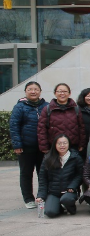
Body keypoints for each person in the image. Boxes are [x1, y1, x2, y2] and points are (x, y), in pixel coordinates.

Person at [10, 81, 47, 209]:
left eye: (36, 89)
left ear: (40, 91)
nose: (33, 91)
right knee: (26, 173)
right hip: (26, 147)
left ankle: (42, 196)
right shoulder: (19, 107)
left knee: (43, 173)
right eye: (30, 89)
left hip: (43, 147)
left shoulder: (46, 106)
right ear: (25, 92)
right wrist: (17, 144)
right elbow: (14, 126)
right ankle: (28, 199)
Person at [36, 134, 83, 218]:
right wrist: (41, 195)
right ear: (55, 145)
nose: (62, 145)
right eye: (59, 143)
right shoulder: (48, 158)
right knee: (50, 212)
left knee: (66, 199)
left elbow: (80, 175)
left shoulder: (75, 157)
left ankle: (71, 208)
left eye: (65, 143)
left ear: (69, 144)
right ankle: (60, 207)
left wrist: (72, 186)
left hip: (69, 191)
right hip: (53, 192)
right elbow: (42, 178)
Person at [37, 83, 86, 154]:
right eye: (59, 91)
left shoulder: (76, 109)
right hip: (54, 146)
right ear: (55, 93)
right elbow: (41, 129)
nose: (62, 93)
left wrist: (82, 144)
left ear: (69, 93)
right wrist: (44, 147)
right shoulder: (47, 109)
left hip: (72, 146)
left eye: (65, 91)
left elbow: (81, 128)